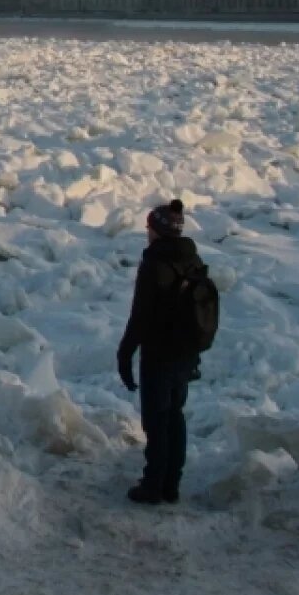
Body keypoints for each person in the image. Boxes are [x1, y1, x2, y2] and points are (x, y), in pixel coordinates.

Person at [117, 199, 204, 505]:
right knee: (175, 417)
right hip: (185, 353)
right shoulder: (191, 259)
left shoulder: (154, 265)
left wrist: (125, 354)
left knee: (156, 420)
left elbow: (139, 316)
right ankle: (171, 484)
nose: (147, 232)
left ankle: (153, 485)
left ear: (156, 230)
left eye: (149, 227)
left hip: (159, 355)